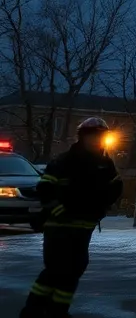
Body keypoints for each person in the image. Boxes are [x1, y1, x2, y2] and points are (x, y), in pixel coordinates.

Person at [21, 117, 122, 318]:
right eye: (92, 136)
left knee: (74, 270)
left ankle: (58, 311)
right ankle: (31, 312)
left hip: (84, 229)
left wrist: (102, 208)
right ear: (82, 137)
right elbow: (45, 188)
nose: (97, 140)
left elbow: (116, 187)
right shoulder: (64, 161)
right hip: (59, 227)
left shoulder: (105, 164)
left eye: (101, 136)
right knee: (55, 270)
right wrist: (58, 208)